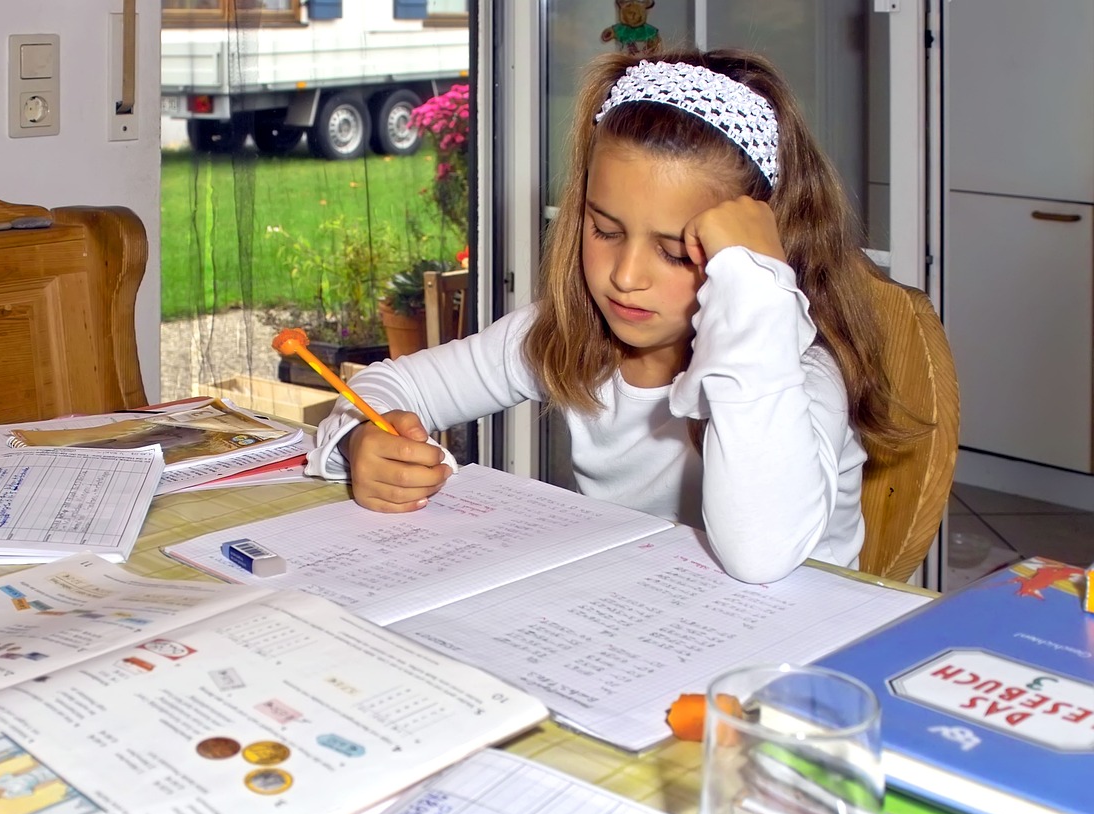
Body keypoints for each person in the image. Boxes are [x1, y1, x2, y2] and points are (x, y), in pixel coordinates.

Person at [306, 48, 913, 584]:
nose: (625, 275)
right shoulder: (568, 339)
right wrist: (365, 436)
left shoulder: (796, 377)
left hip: (789, 672)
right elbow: (393, 383)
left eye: (676, 251)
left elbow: (759, 555)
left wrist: (753, 287)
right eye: (604, 229)